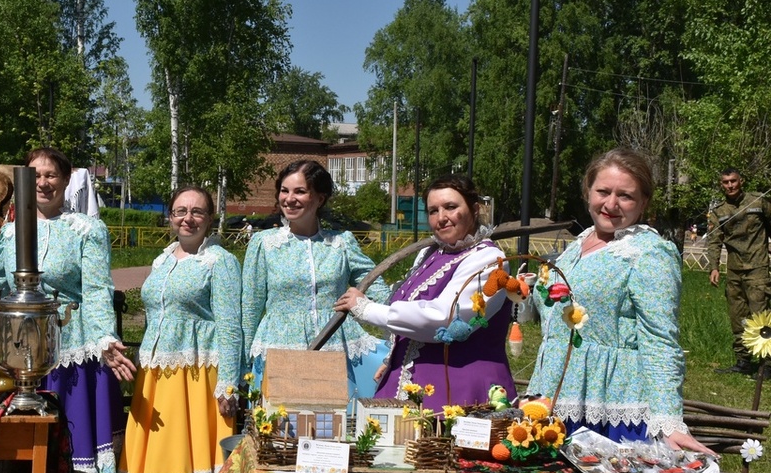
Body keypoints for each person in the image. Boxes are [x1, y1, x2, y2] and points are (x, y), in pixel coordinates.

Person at [0, 147, 133, 473]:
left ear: (67, 181)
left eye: (52, 175)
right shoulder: (10, 231)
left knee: (74, 434)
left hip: (74, 344)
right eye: (35, 176)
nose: (44, 183)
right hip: (20, 345)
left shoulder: (87, 229)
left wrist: (106, 340)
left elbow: (98, 289)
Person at [528, 147, 712, 452]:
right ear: (588, 192)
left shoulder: (648, 253)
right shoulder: (579, 243)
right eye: (603, 191)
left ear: (643, 203)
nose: (611, 204)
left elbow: (660, 339)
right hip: (555, 395)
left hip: (607, 406)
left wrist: (668, 419)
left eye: (625, 196)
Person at [117, 186, 242, 473]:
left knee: (183, 457)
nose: (187, 218)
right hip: (155, 376)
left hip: (195, 375)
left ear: (210, 219)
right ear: (169, 216)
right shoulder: (161, 258)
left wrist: (230, 384)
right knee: (150, 458)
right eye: (179, 211)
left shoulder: (219, 261)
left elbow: (230, 326)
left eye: (197, 212)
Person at [335, 175, 515, 409]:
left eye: (451, 207)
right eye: (433, 211)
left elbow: (446, 318)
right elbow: (410, 316)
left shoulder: (489, 260)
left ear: (474, 208)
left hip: (459, 390)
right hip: (411, 385)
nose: (441, 218)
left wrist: (367, 309)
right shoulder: (430, 255)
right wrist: (395, 357)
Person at [241, 159, 389, 400]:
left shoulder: (341, 242)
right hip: (278, 345)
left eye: (300, 191)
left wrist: (400, 315)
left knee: (330, 424)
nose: (289, 199)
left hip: (334, 344)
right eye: (284, 190)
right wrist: (241, 365)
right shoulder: (264, 244)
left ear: (320, 198)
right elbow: (250, 307)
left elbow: (377, 287)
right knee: (279, 427)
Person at [705, 167, 771, 376]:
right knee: (738, 317)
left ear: (741, 181)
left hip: (757, 269)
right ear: (721, 185)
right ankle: (743, 361)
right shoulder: (719, 212)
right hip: (734, 272)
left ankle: (766, 364)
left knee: (761, 316)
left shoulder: (758, 202)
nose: (730, 185)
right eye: (725, 182)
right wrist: (714, 267)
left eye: (733, 181)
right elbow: (714, 241)